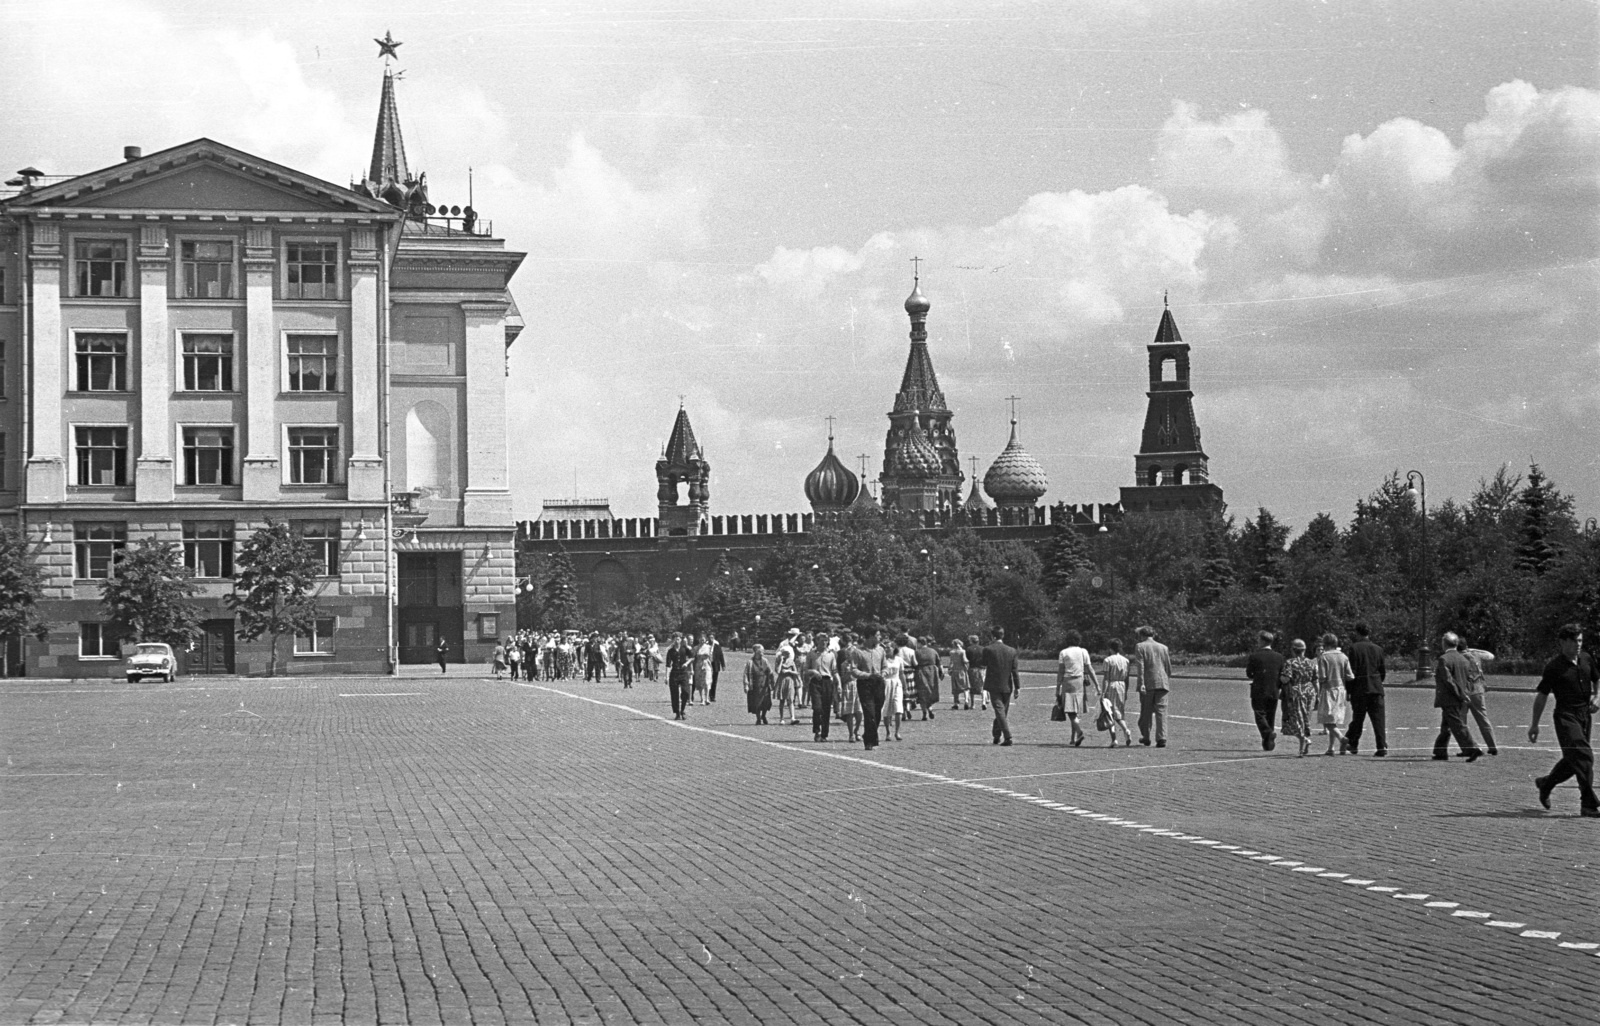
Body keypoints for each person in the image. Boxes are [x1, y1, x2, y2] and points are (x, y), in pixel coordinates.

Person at [1530, 623, 1598, 817]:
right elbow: (1542, 695)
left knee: (1573, 759)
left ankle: (1546, 783)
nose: (1577, 645)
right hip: (1565, 717)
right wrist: (1534, 724)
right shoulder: (1554, 667)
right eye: (1573, 641)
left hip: (1584, 715)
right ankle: (1588, 805)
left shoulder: (1586, 659)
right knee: (1584, 756)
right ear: (1562, 642)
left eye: (1580, 640)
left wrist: (1597, 696)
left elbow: (1597, 678)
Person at [1433, 632, 1484, 762]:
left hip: (1450, 697)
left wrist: (1459, 694)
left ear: (1444, 643)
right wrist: (1464, 694)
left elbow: (1448, 681)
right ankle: (1440, 751)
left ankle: (1472, 748)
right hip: (1460, 696)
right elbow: (1467, 679)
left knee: (1456, 725)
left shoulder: (1444, 659)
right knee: (1446, 725)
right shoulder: (1463, 659)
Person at [1344, 622, 1388, 756]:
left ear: (1357, 633)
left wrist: (1349, 690)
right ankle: (1381, 746)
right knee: (1378, 720)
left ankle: (1353, 743)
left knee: (1358, 719)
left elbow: (1352, 671)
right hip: (1376, 688)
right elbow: (1382, 671)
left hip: (1360, 689)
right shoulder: (1378, 649)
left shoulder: (1354, 648)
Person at [1129, 626, 1172, 748]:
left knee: (1146, 711)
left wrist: (1141, 683)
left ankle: (1146, 736)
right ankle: (1161, 738)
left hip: (1148, 683)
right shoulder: (1164, 647)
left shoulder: (1140, 646)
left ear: (1142, 635)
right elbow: (1168, 667)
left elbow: (1141, 666)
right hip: (1162, 683)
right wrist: (1165, 679)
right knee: (1161, 712)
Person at [1056, 630, 1099, 747]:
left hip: (1068, 682)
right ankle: (1072, 738)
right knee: (1075, 711)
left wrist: (1057, 688)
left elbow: (1060, 672)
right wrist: (1097, 685)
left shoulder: (1063, 652)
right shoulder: (1083, 651)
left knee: (1070, 711)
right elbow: (1090, 669)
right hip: (1080, 683)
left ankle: (1079, 732)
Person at [846, 629, 887, 750]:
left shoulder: (881, 650)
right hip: (865, 684)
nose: (880, 637)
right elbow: (853, 670)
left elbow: (885, 666)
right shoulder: (858, 652)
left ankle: (867, 734)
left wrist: (883, 674)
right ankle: (870, 741)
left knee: (877, 713)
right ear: (870, 637)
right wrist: (868, 675)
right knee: (869, 713)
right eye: (877, 635)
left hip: (879, 683)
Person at [1244, 630, 1286, 751]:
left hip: (1259, 689)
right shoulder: (1279, 657)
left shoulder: (1255, 656)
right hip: (1274, 690)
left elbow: (1249, 673)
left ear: (1262, 641)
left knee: (1259, 714)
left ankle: (1267, 733)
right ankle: (1268, 744)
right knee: (1270, 716)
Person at [1315, 632, 1354, 755]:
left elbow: (1322, 677)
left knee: (1326, 719)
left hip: (1328, 690)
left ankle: (1341, 738)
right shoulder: (1343, 656)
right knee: (1334, 720)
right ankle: (1331, 747)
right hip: (1341, 690)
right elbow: (1350, 676)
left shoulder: (1323, 657)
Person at [1458, 636, 1497, 756]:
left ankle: (1467, 747)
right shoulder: (1475, 655)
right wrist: (1471, 649)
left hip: (1463, 692)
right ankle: (1492, 746)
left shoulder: (1457, 657)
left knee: (1461, 722)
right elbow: (1490, 655)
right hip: (1477, 691)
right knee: (1483, 719)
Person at [981, 627, 1020, 746]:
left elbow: (983, 663)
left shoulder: (988, 649)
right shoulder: (1012, 650)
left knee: (999, 711)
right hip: (1007, 685)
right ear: (1003, 636)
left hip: (993, 684)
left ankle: (1007, 736)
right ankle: (997, 735)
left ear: (993, 636)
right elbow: (1015, 670)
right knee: (1002, 711)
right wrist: (1018, 687)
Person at [1280, 639, 1319, 757]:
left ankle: (1304, 742)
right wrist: (1318, 695)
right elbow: (1315, 680)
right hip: (1309, 692)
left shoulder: (1290, 663)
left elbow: (1286, 679)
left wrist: (1280, 677)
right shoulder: (1312, 663)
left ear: (1293, 650)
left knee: (1295, 719)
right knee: (1306, 718)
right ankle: (1304, 742)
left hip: (1296, 692)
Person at [1099, 639, 1133, 747]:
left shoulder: (1108, 660)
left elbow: (1106, 678)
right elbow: (1127, 678)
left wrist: (1103, 692)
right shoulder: (1126, 661)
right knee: (1119, 712)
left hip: (1112, 686)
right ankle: (1123, 732)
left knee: (1109, 713)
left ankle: (1116, 737)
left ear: (1110, 648)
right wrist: (1126, 691)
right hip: (1122, 686)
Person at [805, 635, 840, 741]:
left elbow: (834, 671)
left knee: (826, 709)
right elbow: (806, 670)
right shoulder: (811, 654)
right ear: (817, 642)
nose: (824, 643)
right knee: (817, 707)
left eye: (826, 641)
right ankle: (817, 731)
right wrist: (813, 672)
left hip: (827, 682)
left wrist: (839, 685)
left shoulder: (831, 654)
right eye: (822, 641)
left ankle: (824, 734)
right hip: (815, 682)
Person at [836, 630, 865, 743]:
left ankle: (857, 730)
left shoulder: (859, 661)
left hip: (858, 685)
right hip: (848, 686)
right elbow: (841, 676)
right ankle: (851, 734)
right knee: (850, 712)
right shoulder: (843, 663)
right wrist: (846, 675)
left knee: (859, 712)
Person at [882, 636, 910, 742]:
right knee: (886, 708)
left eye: (889, 647)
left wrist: (905, 688)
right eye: (886, 648)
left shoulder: (899, 659)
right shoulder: (883, 660)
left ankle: (897, 732)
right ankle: (888, 732)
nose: (887, 649)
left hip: (896, 683)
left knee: (898, 708)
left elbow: (902, 674)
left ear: (894, 648)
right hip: (886, 683)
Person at [775, 629, 802, 725]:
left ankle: (792, 717)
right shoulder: (779, 661)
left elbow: (796, 672)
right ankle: (781, 718)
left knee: (791, 700)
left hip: (790, 681)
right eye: (784, 653)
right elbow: (777, 671)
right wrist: (781, 661)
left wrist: (789, 671)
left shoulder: (791, 661)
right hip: (782, 681)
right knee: (782, 700)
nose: (786, 655)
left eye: (787, 653)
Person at [664, 632, 693, 721]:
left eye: (679, 638)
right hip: (674, 673)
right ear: (673, 640)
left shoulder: (685, 648)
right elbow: (668, 665)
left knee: (686, 692)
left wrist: (686, 663)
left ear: (681, 640)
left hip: (683, 673)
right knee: (674, 694)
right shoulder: (670, 651)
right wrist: (667, 676)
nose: (677, 640)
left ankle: (682, 710)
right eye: (675, 638)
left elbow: (692, 657)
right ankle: (677, 712)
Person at [744, 644, 775, 725]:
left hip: (765, 684)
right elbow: (746, 674)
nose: (763, 652)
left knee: (766, 702)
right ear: (756, 651)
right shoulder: (750, 662)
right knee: (757, 703)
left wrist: (772, 683)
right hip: (755, 685)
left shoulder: (765, 661)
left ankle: (763, 715)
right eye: (761, 651)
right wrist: (746, 685)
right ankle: (758, 718)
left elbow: (770, 672)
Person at [914, 636, 942, 721]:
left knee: (921, 693)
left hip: (921, 671)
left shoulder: (916, 652)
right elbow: (939, 663)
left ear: (920, 643)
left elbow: (914, 663)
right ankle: (930, 708)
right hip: (932, 672)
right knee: (930, 691)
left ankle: (924, 713)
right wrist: (941, 672)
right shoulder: (933, 651)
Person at [966, 634, 988, 710]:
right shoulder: (983, 649)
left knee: (971, 686)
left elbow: (967, 660)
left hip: (972, 668)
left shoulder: (968, 649)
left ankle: (972, 704)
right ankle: (984, 702)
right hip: (982, 669)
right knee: (983, 686)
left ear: (971, 641)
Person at [692, 632, 714, 706]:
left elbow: (711, 657)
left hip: (706, 665)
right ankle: (702, 699)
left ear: (705, 640)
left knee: (707, 681)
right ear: (698, 640)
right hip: (698, 665)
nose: (702, 640)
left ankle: (707, 698)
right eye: (700, 639)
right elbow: (693, 656)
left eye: (703, 639)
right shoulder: (695, 648)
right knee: (700, 682)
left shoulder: (709, 647)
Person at [948, 638, 969, 711]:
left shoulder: (952, 652)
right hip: (962, 671)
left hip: (955, 670)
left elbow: (951, 662)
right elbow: (965, 660)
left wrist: (949, 669)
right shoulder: (963, 651)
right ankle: (966, 701)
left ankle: (956, 704)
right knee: (965, 687)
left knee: (955, 688)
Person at [709, 633, 726, 703]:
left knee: (714, 681)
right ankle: (708, 694)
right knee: (708, 680)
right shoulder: (706, 646)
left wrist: (723, 665)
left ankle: (713, 696)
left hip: (715, 664)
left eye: (712, 637)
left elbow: (721, 656)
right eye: (709, 637)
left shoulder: (717, 646)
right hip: (708, 664)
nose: (711, 639)